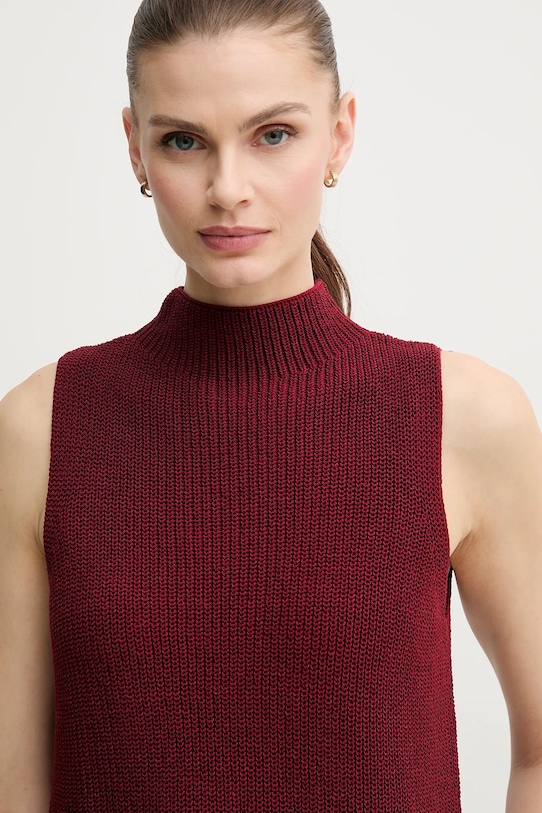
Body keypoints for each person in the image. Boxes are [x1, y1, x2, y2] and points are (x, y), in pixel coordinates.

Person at [0, 0, 541, 809]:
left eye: (273, 134)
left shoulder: (462, 418)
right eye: (184, 141)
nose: (228, 189)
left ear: (340, 134)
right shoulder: (41, 429)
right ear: (135, 147)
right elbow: (14, 783)